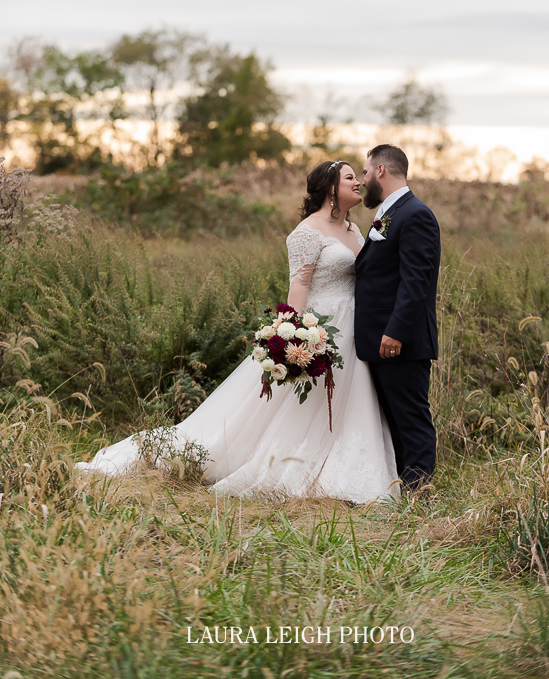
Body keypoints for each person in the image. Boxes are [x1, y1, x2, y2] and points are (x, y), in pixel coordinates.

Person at [76, 160, 398, 504]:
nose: (358, 182)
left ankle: (342, 470)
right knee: (302, 405)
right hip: (321, 328)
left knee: (351, 402)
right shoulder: (307, 231)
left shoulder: (354, 229)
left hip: (353, 329)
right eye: (350, 177)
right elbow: (299, 286)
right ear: (331, 187)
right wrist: (295, 336)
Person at [355, 144, 440, 493]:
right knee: (394, 420)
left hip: (400, 342)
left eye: (365, 171)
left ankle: (419, 494)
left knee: (411, 420)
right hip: (381, 341)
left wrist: (396, 332)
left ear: (380, 171)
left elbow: (416, 282)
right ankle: (403, 489)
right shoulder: (391, 212)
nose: (362, 180)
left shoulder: (415, 214)